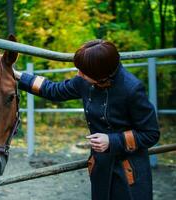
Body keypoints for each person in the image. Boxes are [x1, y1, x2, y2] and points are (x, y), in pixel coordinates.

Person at [13, 40, 160, 200]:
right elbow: (54, 90)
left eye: (82, 72)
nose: (78, 74)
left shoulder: (132, 89)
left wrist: (112, 141)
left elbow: (151, 133)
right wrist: (18, 76)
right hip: (101, 168)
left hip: (130, 172)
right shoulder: (86, 79)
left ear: (101, 74)